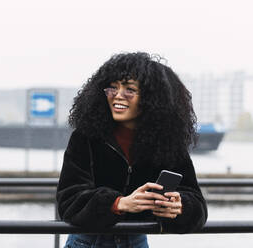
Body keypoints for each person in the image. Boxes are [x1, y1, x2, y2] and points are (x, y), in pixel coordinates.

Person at [56, 52, 208, 248]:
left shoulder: (167, 142)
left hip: (136, 241)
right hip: (88, 242)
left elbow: (197, 206)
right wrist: (119, 203)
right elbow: (68, 200)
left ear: (151, 98)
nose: (118, 95)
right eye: (112, 87)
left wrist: (179, 206)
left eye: (129, 89)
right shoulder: (85, 137)